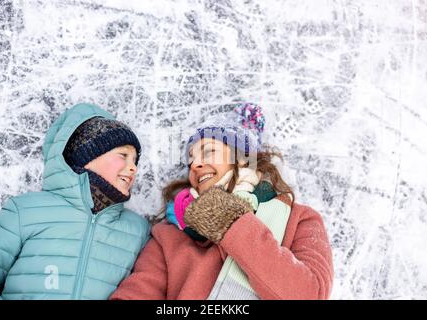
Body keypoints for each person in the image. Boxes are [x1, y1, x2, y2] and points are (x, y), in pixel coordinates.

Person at [111, 103, 334, 300]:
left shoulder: (300, 220)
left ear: (243, 157)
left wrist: (231, 221)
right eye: (191, 160)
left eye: (208, 152)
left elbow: (309, 294)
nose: (195, 165)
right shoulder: (170, 235)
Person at [0, 103, 150, 300]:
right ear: (88, 155)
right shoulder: (26, 211)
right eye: (123, 156)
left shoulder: (138, 230)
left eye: (135, 161)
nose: (133, 168)